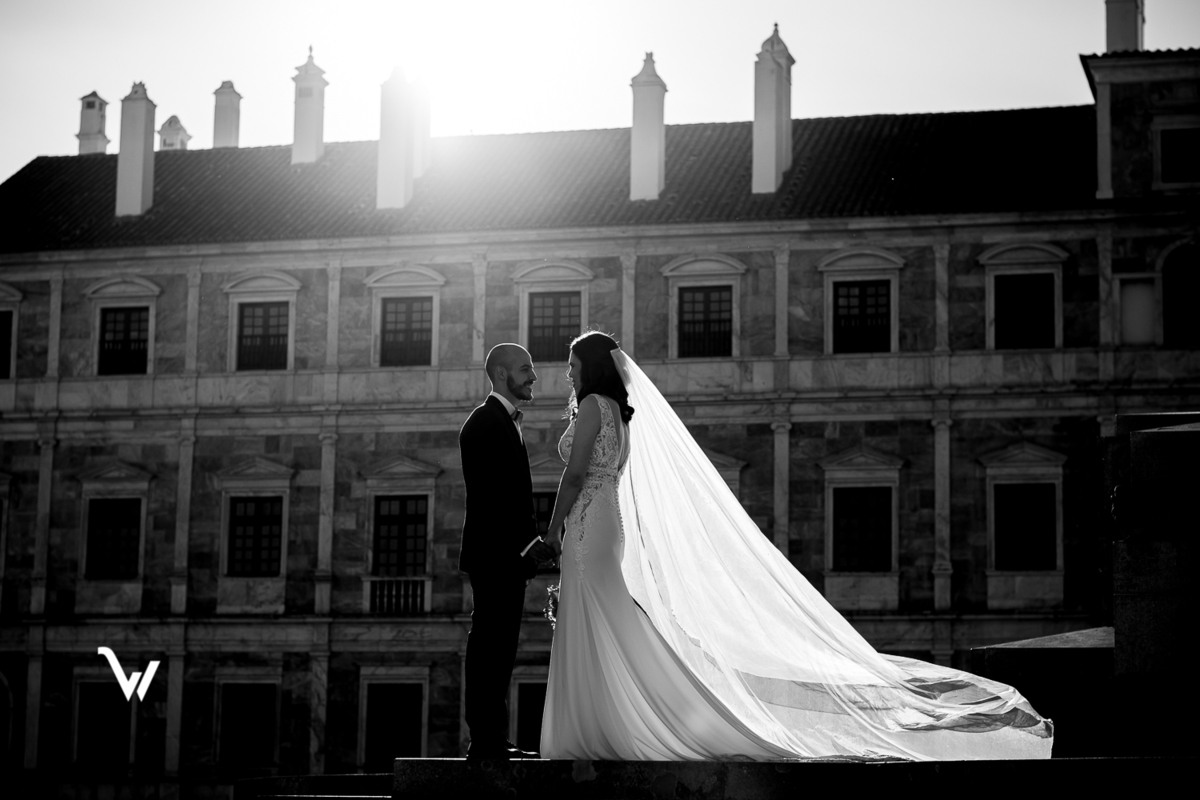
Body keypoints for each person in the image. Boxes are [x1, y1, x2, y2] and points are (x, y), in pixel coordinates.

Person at [539, 331, 1053, 760]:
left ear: (589, 367)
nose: (567, 373)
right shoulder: (620, 414)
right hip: (609, 522)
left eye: (570, 364)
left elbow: (576, 473)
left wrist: (550, 527)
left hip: (587, 523)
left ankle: (606, 722)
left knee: (601, 620)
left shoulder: (590, 408)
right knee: (607, 620)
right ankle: (612, 720)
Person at [458, 343, 556, 760]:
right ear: (501, 374)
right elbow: (491, 499)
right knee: (489, 648)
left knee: (500, 649)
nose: (533, 376)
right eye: (525, 369)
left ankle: (493, 738)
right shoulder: (483, 423)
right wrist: (529, 545)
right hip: (496, 558)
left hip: (507, 559)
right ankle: (485, 740)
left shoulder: (505, 422)